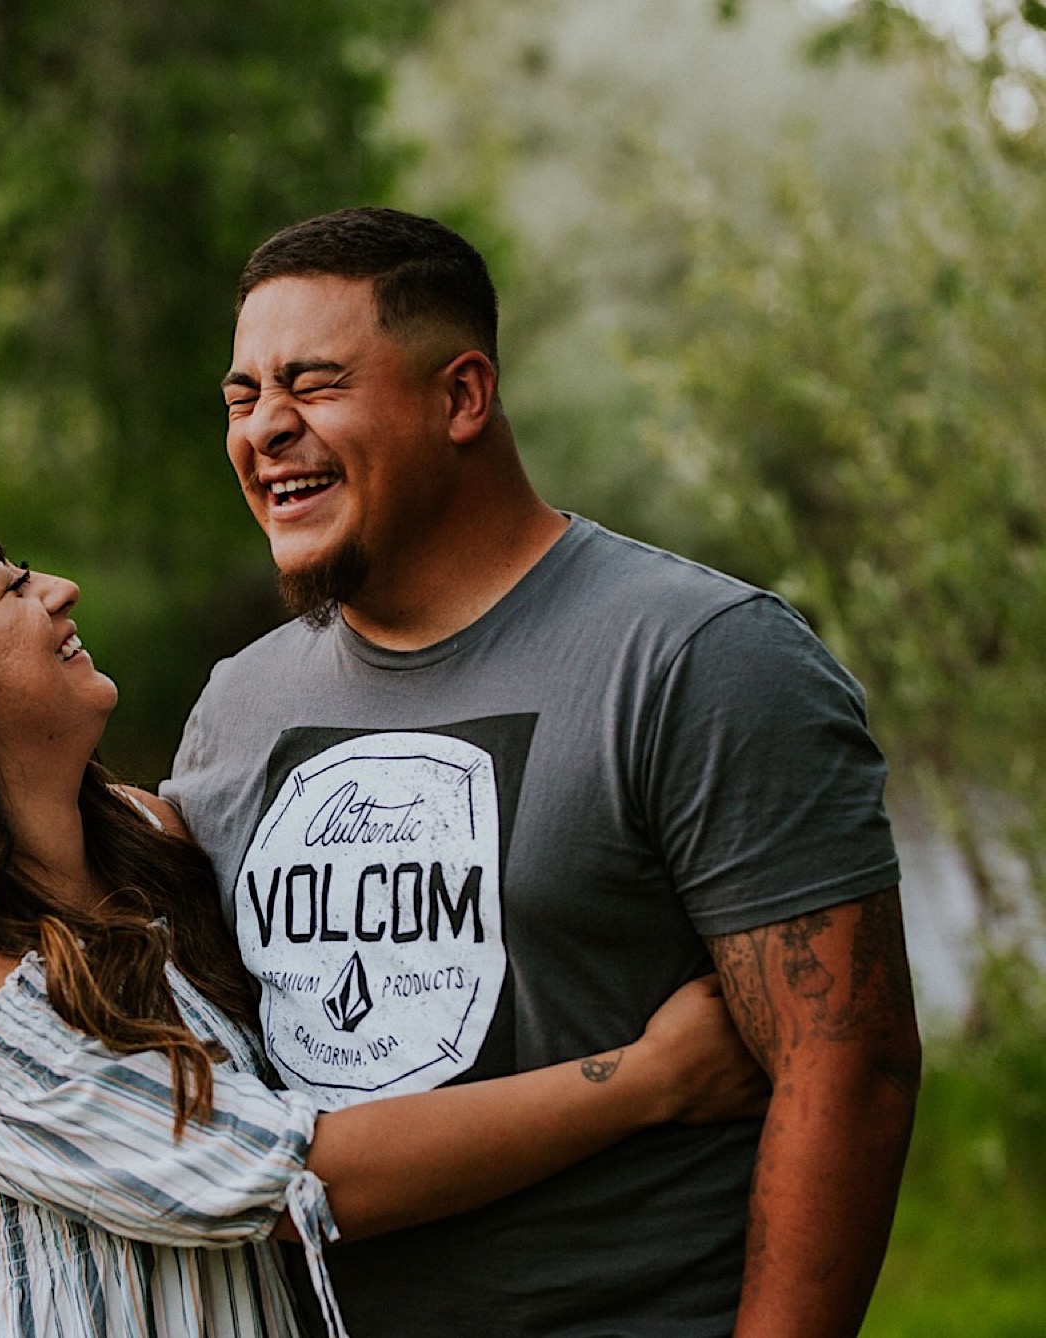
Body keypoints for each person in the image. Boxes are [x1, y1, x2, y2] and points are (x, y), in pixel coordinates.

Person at [161, 206, 921, 1335]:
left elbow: (845, 1072)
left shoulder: (697, 657)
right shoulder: (240, 700)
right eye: (241, 397)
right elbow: (58, 930)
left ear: (460, 397)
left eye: (312, 385)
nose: (264, 430)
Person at [0, 499, 767, 1337]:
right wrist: (647, 1082)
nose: (55, 588)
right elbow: (287, 1183)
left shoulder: (135, 835)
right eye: (8, 584)